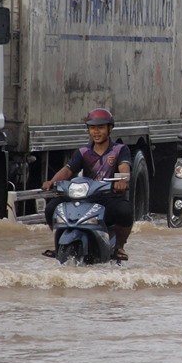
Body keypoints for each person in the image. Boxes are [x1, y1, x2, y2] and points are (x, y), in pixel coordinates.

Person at [42, 108, 134, 261]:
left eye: (100, 128)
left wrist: (122, 181)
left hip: (109, 197)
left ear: (109, 129)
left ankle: (119, 246)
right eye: (92, 128)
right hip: (86, 197)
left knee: (125, 211)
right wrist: (52, 182)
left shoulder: (120, 150)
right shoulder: (83, 152)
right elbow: (67, 171)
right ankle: (58, 242)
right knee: (51, 208)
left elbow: (124, 167)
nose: (96, 132)